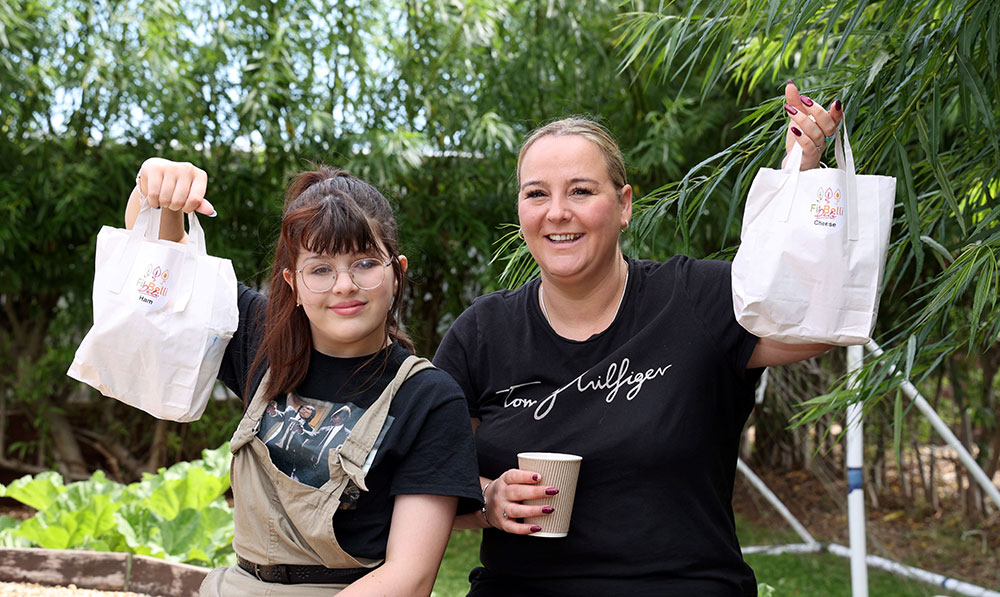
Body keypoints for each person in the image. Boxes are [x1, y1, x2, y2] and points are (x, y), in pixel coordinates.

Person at [434, 82, 843, 596]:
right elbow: (426, 476)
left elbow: (816, 324)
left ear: (625, 204)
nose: (557, 212)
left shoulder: (694, 297)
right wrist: (487, 501)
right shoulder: (482, 331)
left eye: (581, 190)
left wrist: (800, 178)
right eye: (536, 193)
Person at [124, 160, 483, 596]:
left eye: (365, 263)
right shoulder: (261, 339)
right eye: (320, 269)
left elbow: (409, 578)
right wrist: (157, 186)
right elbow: (161, 257)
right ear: (292, 283)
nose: (344, 285)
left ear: (397, 273)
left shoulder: (428, 399)